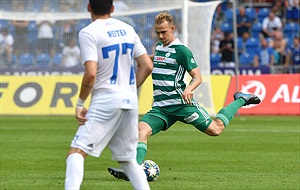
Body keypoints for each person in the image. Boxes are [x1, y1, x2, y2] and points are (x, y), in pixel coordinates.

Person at [107, 12, 261, 181]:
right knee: (140, 132)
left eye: (164, 32)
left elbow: (197, 76)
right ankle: (133, 171)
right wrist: (141, 59)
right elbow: (157, 59)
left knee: (216, 129)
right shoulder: (159, 47)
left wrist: (189, 89)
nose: (160, 35)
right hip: (161, 107)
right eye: (158, 32)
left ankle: (241, 98)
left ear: (173, 29)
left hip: (181, 104)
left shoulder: (181, 51)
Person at [64, 0, 153, 190]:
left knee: (76, 152)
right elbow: (147, 65)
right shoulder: (128, 29)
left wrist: (80, 103)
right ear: (112, 8)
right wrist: (128, 89)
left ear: (89, 7)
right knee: (128, 160)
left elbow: (91, 73)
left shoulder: (88, 32)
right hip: (130, 101)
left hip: (106, 99)